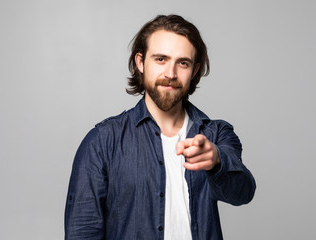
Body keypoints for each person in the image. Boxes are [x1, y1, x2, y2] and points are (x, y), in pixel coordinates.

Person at [65, 14, 256, 240]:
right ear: (140, 62)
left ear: (194, 71)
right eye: (161, 59)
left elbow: (243, 193)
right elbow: (82, 231)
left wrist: (216, 161)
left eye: (182, 63)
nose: (171, 74)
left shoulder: (217, 134)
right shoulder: (102, 142)